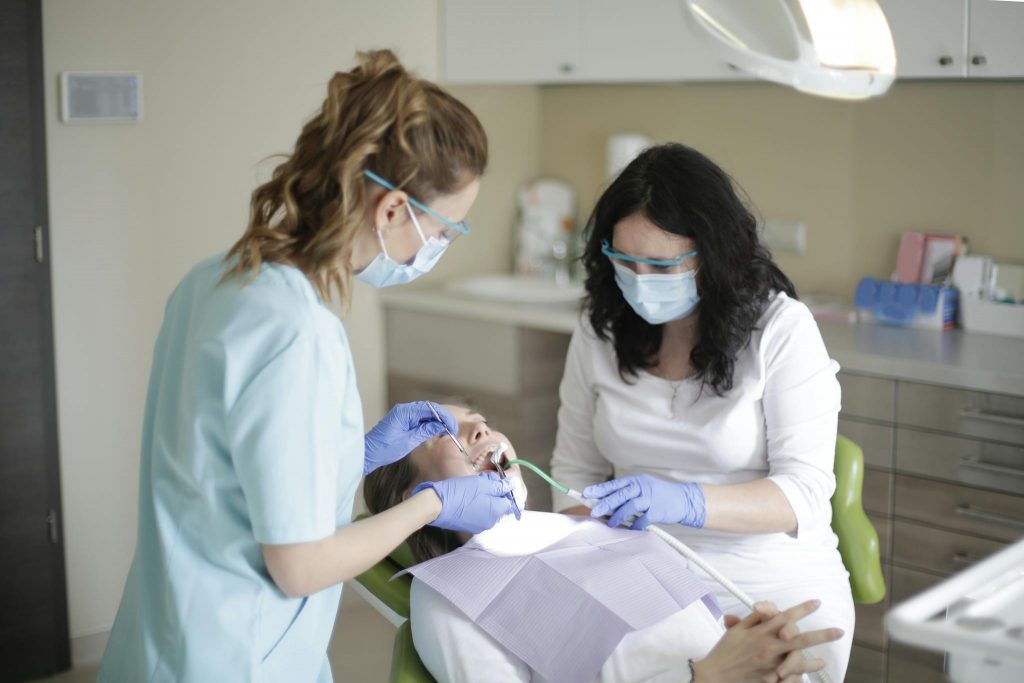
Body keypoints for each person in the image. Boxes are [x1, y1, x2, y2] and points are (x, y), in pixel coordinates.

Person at [98, 51, 516, 683]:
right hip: (233, 657)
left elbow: (232, 471)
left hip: (163, 635)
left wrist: (363, 450)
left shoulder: (213, 281)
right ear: (394, 210)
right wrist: (433, 503)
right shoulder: (299, 335)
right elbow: (298, 566)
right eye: (449, 229)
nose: (445, 245)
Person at [550, 143, 855, 681]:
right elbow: (574, 473)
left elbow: (803, 493)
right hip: (637, 566)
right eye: (625, 261)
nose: (640, 279)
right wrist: (577, 544)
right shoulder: (598, 331)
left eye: (662, 265)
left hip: (767, 574)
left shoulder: (780, 330)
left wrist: (684, 502)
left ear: (713, 254)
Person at [364, 405, 844, 683]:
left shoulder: (595, 528)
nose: (480, 430)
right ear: (413, 496)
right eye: (443, 432)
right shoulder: (447, 598)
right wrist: (705, 677)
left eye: (480, 420)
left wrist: (754, 650)